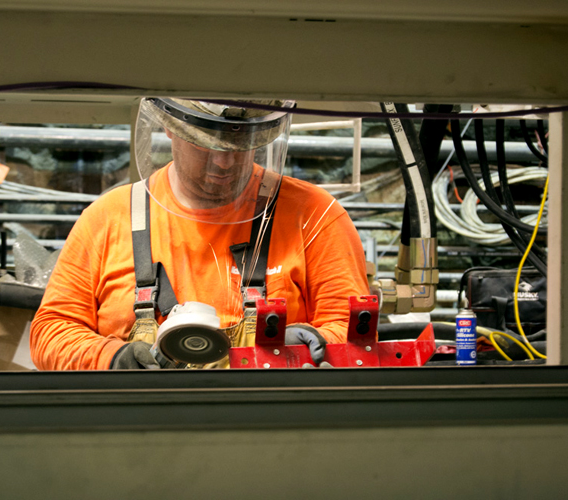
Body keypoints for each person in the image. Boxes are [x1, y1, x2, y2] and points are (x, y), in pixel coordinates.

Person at [30, 97, 371, 370]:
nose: (224, 163)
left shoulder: (313, 215)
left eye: (241, 144)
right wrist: (111, 358)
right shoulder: (107, 219)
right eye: (206, 144)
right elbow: (51, 332)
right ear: (169, 127)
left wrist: (312, 341)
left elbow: (353, 330)